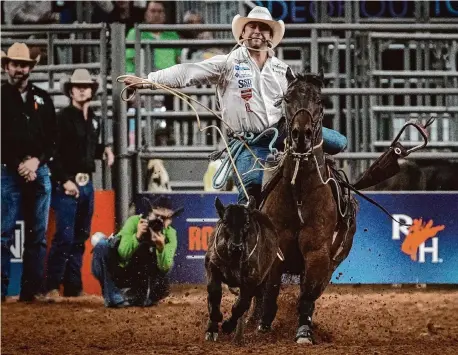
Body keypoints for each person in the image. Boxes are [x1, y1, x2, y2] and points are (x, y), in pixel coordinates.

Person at [123, 6, 349, 206]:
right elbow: (187, 72)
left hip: (282, 132)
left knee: (339, 142)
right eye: (252, 27)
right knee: (250, 193)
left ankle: (338, 202)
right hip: (248, 141)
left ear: (271, 36)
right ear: (243, 33)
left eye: (263, 28)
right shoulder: (228, 63)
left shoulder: (282, 69)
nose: (257, 32)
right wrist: (148, 81)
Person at [44, 69, 115, 300]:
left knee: (80, 236)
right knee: (65, 236)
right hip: (69, 182)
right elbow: (52, 153)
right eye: (78, 86)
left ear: (91, 91)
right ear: (71, 91)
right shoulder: (62, 118)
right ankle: (52, 287)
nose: (82, 89)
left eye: (86, 86)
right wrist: (64, 180)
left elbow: (91, 147)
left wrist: (104, 149)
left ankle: (73, 287)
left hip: (85, 183)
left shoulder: (93, 119)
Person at [1, 43, 57, 302]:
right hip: (9, 169)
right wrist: (19, 164)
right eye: (15, 64)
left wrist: (36, 161)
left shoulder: (43, 98)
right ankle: (2, 291)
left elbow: (52, 140)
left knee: (37, 234)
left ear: (29, 68)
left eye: (23, 65)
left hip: (37, 168)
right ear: (6, 67)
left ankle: (31, 290)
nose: (19, 69)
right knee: (3, 231)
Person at [91, 197, 179, 307]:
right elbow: (122, 253)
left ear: (170, 220)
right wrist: (137, 237)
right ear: (150, 213)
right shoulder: (134, 222)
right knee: (102, 245)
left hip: (146, 277)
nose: (159, 221)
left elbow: (165, 268)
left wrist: (160, 248)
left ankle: (144, 296)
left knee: (170, 263)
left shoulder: (170, 234)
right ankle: (113, 296)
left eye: (165, 218)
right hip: (122, 270)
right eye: (157, 216)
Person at [125, 1, 181, 73]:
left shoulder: (173, 34)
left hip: (171, 79)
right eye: (153, 11)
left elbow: (178, 59)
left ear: (165, 15)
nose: (156, 15)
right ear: (146, 14)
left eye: (160, 11)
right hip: (145, 78)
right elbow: (134, 59)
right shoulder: (136, 32)